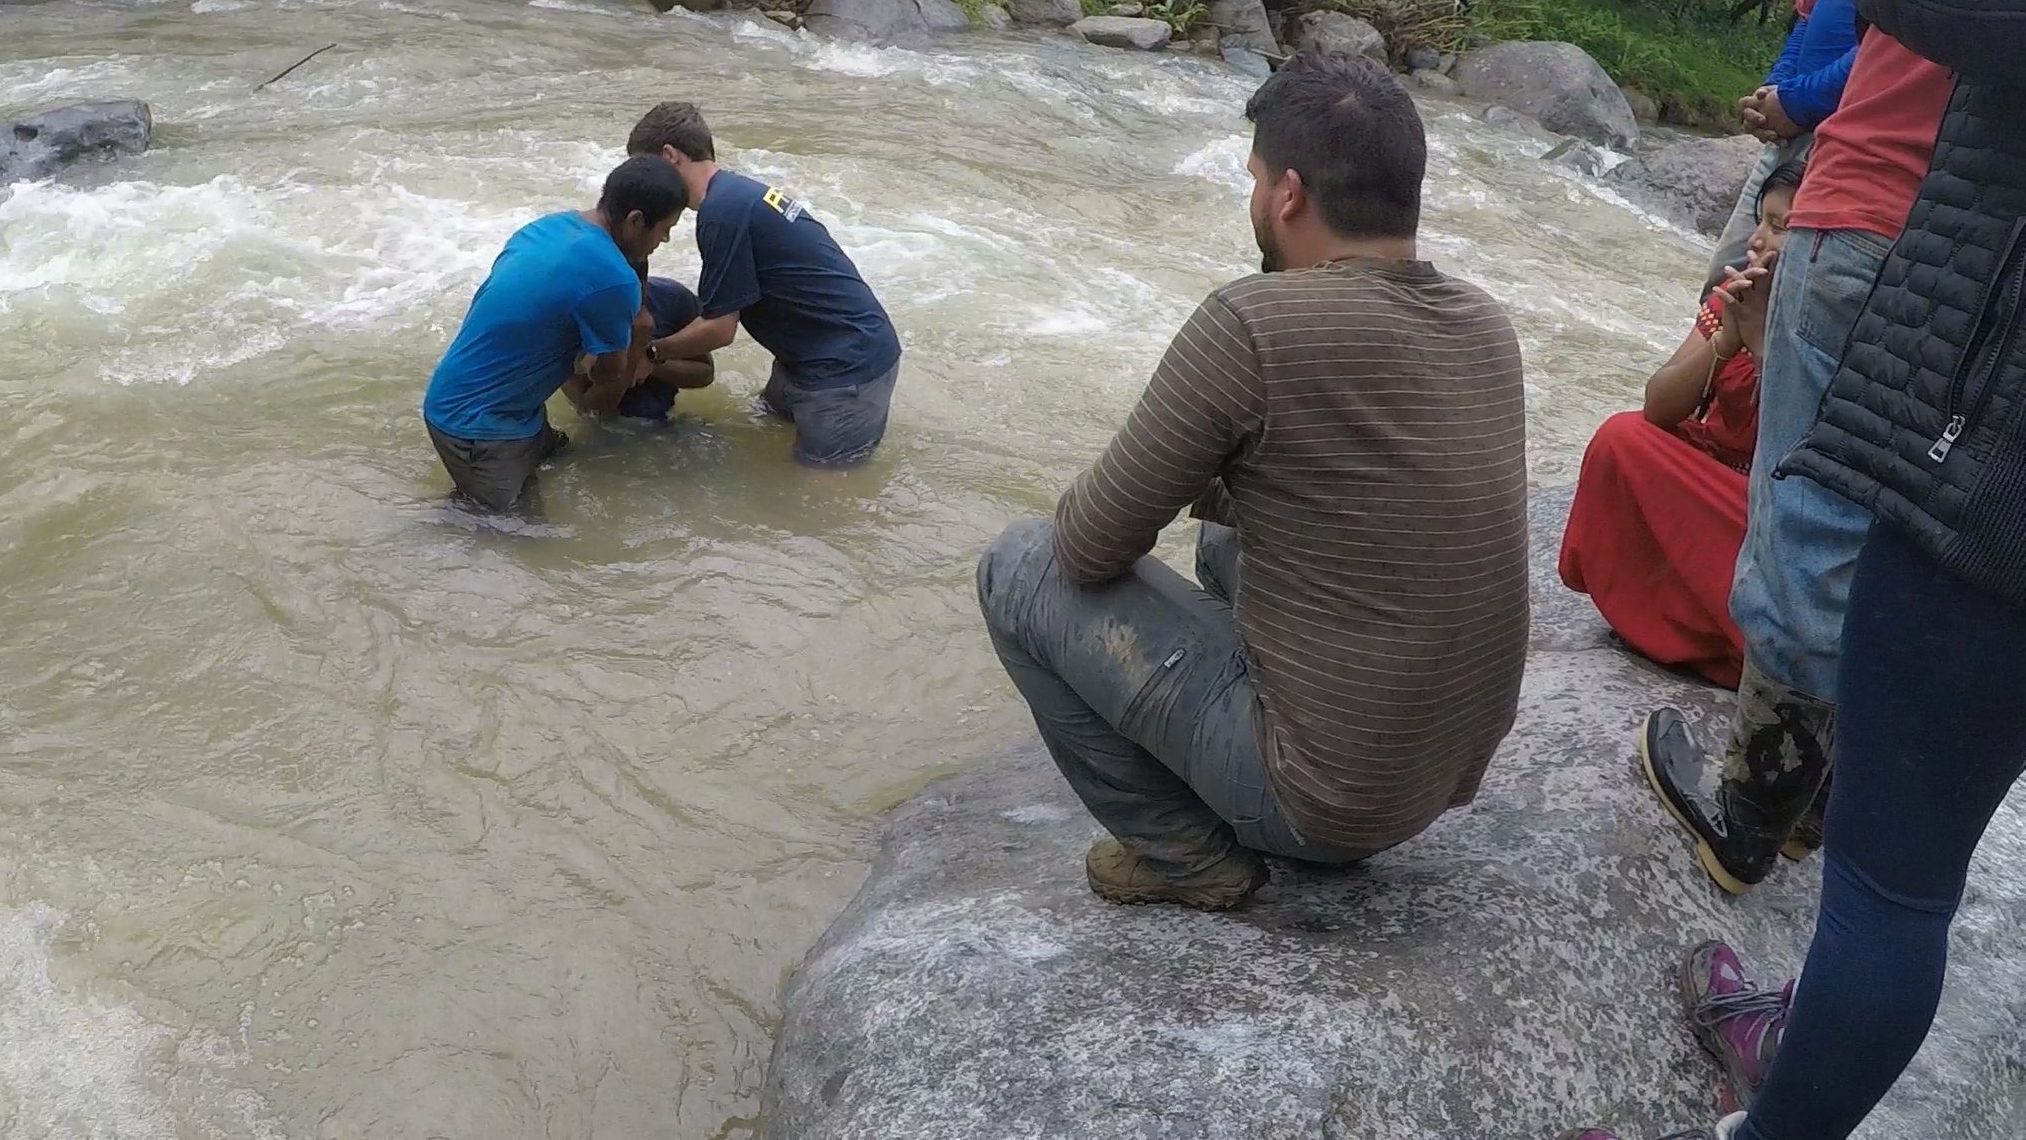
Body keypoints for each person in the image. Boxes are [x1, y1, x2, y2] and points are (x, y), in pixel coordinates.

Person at [1571, 0, 2026, 1137]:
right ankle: (1820, 841)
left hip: (1905, 251)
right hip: (1955, 279)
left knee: (1812, 516)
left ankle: (1758, 810)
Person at [972, 53, 1529, 911]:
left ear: (1288, 196)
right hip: (1438, 780)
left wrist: (1175, 457)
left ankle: (1184, 852)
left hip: (1320, 805)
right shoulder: (1487, 322)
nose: (1254, 199)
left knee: (1017, 565)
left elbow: (1085, 547)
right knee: (1226, 534)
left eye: (1253, 179)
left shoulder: (1252, 320)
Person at [1561, 165, 1799, 689]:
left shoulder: (1830, 323)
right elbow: (1658, 408)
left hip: (1772, 505)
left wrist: (1761, 342)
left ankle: (1725, 641)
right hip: (1713, 478)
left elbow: (1800, 446)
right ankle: (1665, 618)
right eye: (1762, 221)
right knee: (1622, 439)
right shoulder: (1730, 299)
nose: (1757, 239)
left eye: (1780, 226)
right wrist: (1728, 337)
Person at [625, 103, 903, 467]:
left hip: (844, 373)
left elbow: (720, 329)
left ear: (670, 156)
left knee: (823, 498)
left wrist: (649, 354)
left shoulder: (722, 211)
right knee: (763, 432)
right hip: (805, 361)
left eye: (646, 169)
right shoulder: (737, 193)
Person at [421, 155, 688, 514]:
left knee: (563, 459)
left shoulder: (547, 227)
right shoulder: (613, 280)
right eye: (664, 229)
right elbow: (605, 383)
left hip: (487, 405)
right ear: (636, 221)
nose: (666, 239)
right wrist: (638, 339)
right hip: (476, 428)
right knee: (516, 541)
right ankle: (426, 528)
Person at [1702, 0, 1857, 297]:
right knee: (1723, 287)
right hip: (1790, 130)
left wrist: (1795, 101)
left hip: (1845, 141)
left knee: (1774, 295)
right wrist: (1774, 90)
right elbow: (1808, 14)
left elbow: (1888, 43)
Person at [613, 278, 716, 422]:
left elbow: (705, 374)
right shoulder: (577, 301)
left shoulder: (672, 298)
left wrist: (650, 360)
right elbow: (585, 404)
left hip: (663, 418)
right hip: (606, 420)